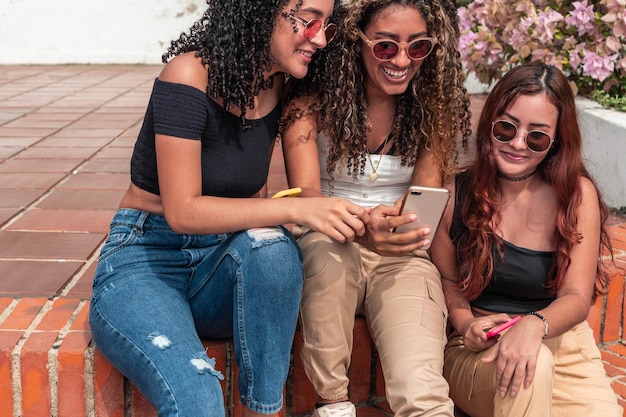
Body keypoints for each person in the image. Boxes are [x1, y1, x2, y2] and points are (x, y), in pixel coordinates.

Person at [87, 1, 373, 416]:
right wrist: (293, 211)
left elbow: (287, 199)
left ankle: (263, 410)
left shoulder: (285, 86)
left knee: (274, 250)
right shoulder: (188, 75)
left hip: (218, 267)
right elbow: (183, 211)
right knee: (198, 396)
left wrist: (364, 219)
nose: (321, 38)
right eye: (309, 21)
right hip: (147, 258)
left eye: (327, 25)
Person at [280, 1, 472, 416]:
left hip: (402, 250)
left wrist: (391, 228)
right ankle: (332, 405)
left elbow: (422, 199)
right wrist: (365, 226)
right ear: (356, 41)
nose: (402, 60)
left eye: (418, 47)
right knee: (326, 256)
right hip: (329, 236)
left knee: (421, 387)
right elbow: (306, 196)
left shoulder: (432, 111)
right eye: (386, 47)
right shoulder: (308, 103)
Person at [430, 62, 623, 417]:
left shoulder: (576, 196)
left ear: (556, 142)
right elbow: (448, 279)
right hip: (478, 352)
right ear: (489, 123)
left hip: (564, 345)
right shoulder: (456, 194)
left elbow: (577, 297)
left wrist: (534, 324)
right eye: (506, 128)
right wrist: (465, 323)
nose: (517, 144)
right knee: (534, 370)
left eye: (536, 136)